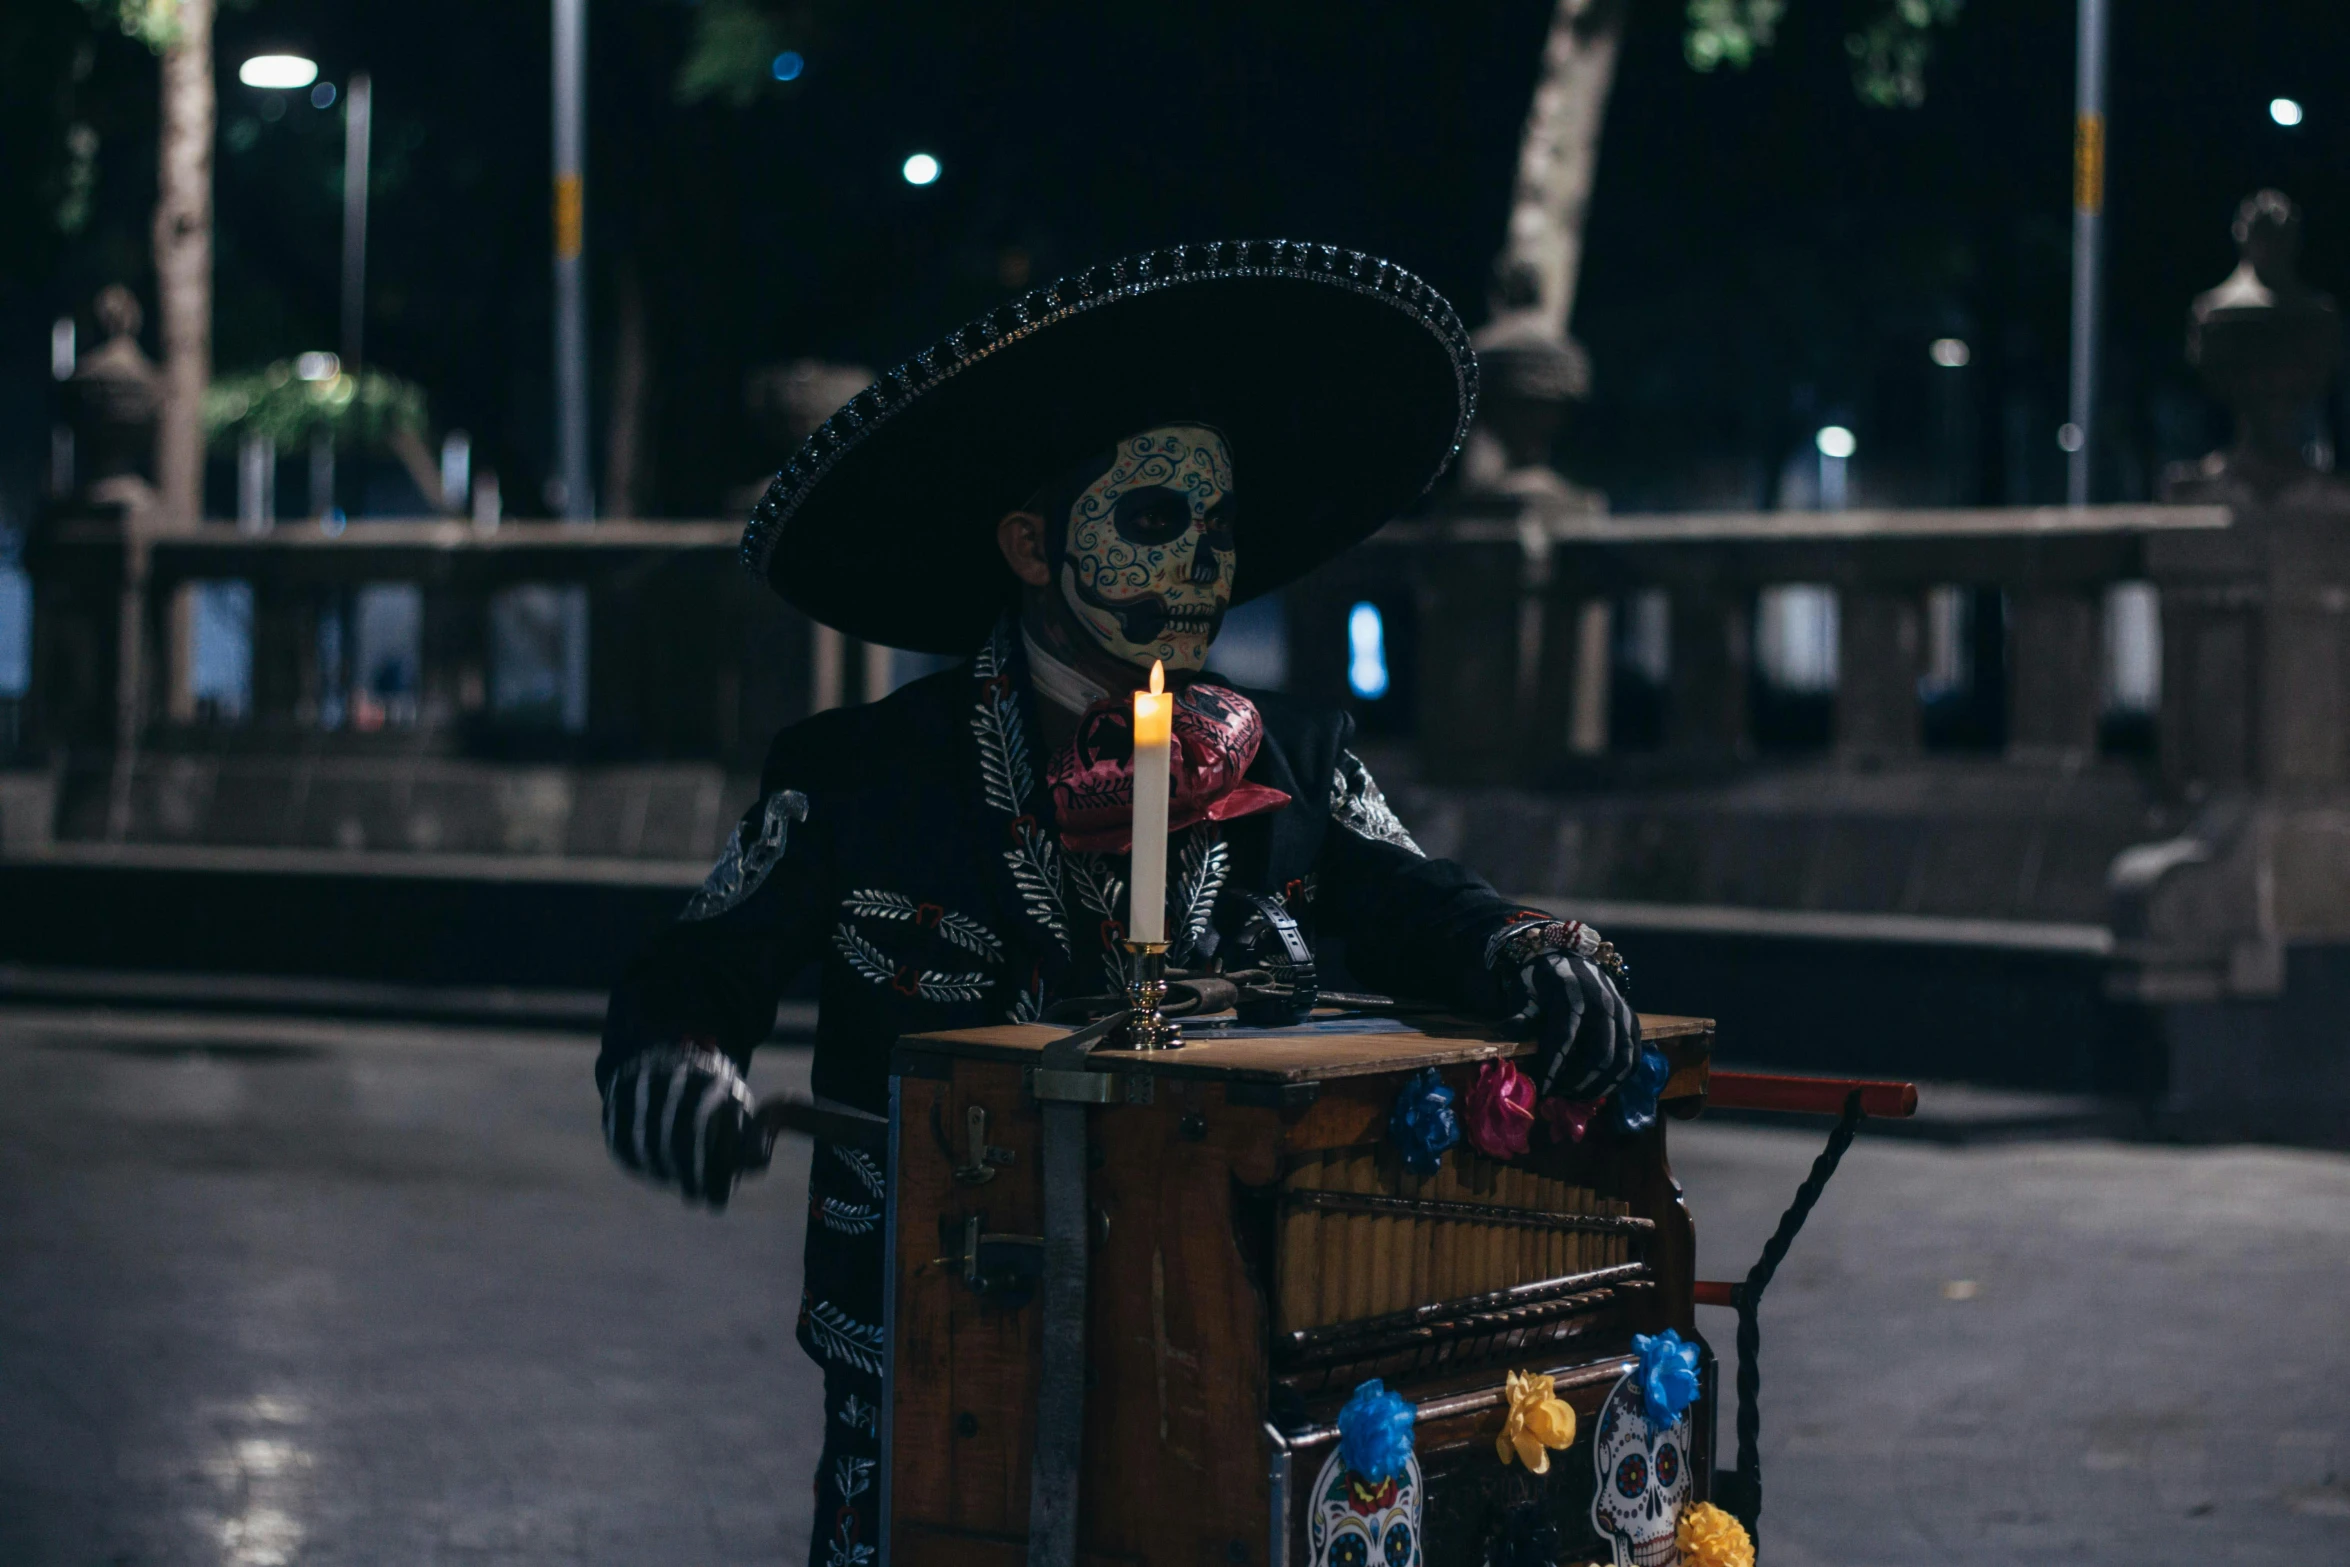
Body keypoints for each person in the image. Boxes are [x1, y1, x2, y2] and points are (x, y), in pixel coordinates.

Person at [593, 239, 1640, 1567]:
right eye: (1152, 521)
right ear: (1030, 544)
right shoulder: (864, 771)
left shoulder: (1284, 752)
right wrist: (678, 1068)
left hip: (1212, 1314)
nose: (1203, 565)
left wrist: (1525, 949)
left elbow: (1412, 896)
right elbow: (697, 971)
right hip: (935, 1316)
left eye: (1218, 530)